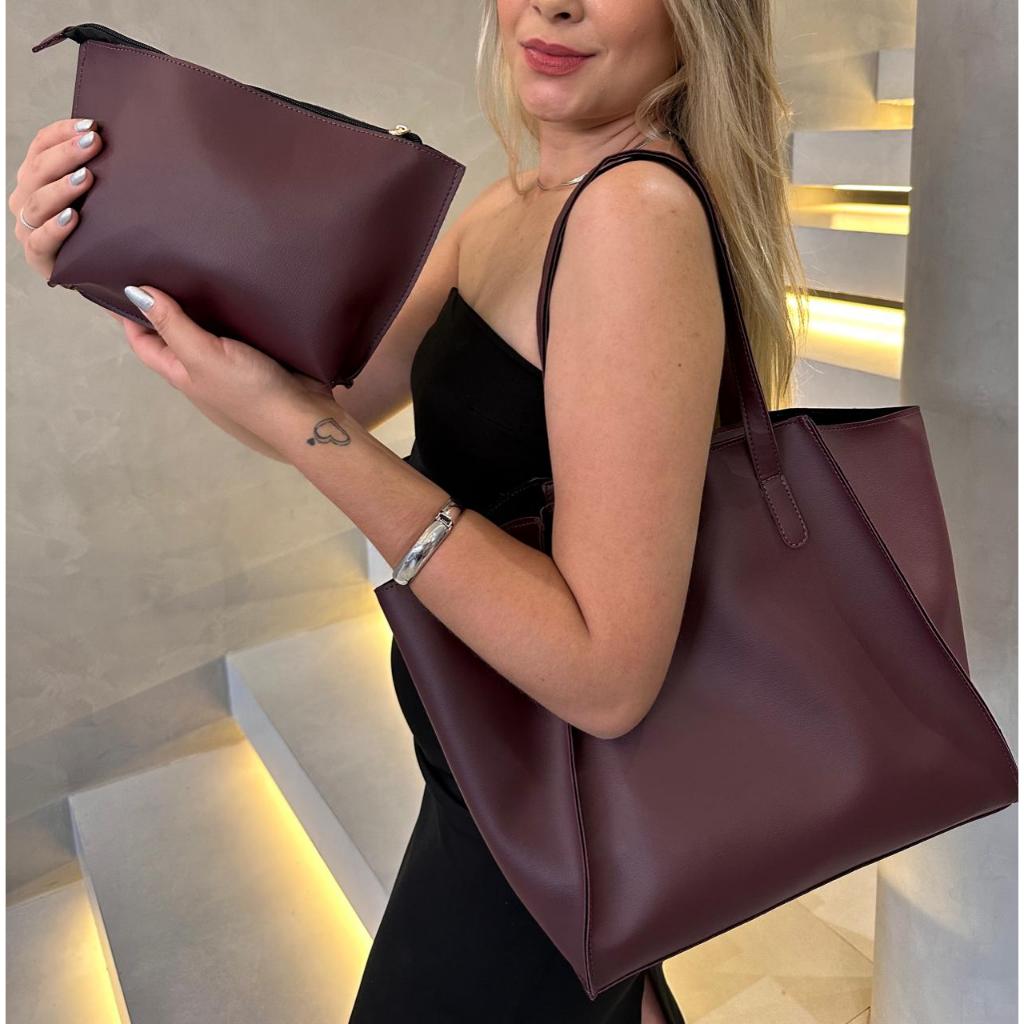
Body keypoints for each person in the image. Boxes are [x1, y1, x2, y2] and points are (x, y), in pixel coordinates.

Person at [11, 0, 804, 1019]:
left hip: (544, 823)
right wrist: (111, 258)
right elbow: (319, 401)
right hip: (488, 784)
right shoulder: (522, 202)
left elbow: (607, 678)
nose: (553, 4)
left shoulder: (634, 216)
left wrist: (303, 425)